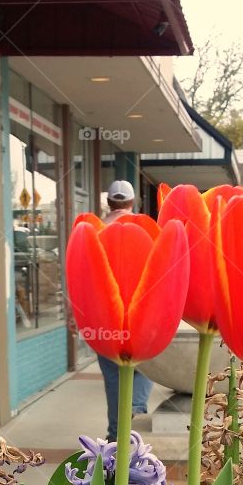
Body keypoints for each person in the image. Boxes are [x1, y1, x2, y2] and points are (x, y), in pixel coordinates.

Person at [96, 180, 152, 439]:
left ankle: (116, 434)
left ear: (109, 202)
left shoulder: (94, 231)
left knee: (112, 375)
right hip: (143, 315)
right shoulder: (147, 229)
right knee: (145, 367)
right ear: (132, 202)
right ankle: (134, 421)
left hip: (104, 318)